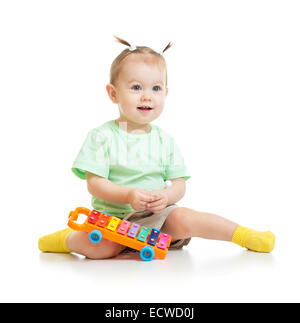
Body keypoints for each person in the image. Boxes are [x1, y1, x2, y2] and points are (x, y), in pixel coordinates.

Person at [39, 35, 275, 259]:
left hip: (157, 217)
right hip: (114, 221)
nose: (147, 97)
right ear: (113, 93)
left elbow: (179, 184)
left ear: (166, 93)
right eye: (136, 87)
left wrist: (167, 196)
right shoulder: (102, 136)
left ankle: (245, 235)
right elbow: (95, 184)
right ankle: (65, 239)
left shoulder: (165, 140)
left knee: (184, 217)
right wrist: (128, 195)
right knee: (102, 247)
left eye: (156, 88)